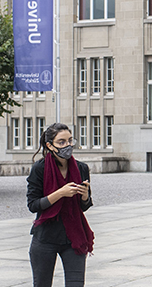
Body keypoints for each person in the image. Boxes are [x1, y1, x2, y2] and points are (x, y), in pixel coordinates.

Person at [27, 123, 94, 287]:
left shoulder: (81, 168)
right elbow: (33, 205)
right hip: (45, 238)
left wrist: (85, 196)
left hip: (74, 238)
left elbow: (84, 206)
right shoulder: (39, 169)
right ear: (50, 145)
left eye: (70, 141)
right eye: (62, 142)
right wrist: (60, 193)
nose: (68, 146)